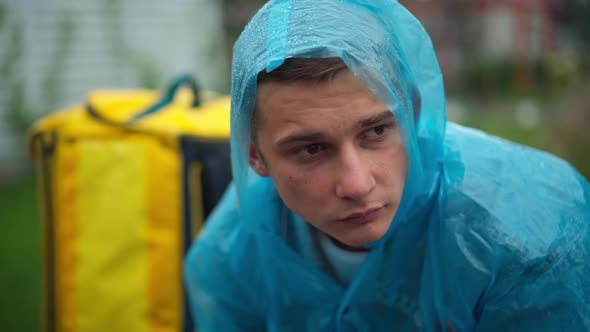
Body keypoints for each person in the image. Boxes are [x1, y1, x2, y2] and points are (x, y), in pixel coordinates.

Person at [184, 0, 590, 331]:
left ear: (414, 114)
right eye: (310, 149)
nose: (357, 184)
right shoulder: (230, 257)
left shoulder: (525, 245)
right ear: (255, 157)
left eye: (376, 131)